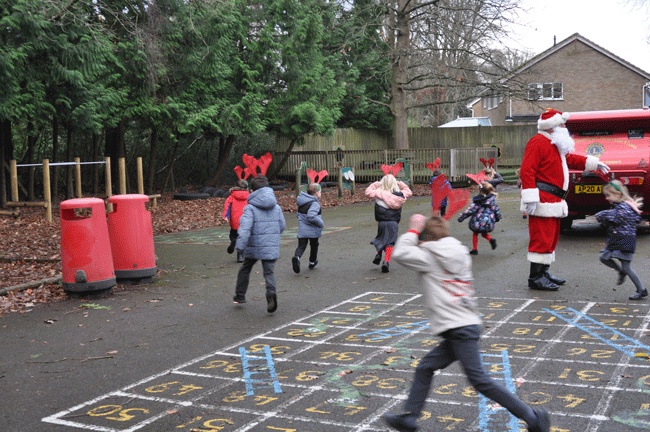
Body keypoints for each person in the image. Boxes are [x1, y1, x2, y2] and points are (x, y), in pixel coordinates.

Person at [383, 214, 551, 432]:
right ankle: (410, 417)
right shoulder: (458, 252)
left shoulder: (429, 257)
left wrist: (413, 230)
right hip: (464, 324)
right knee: (426, 367)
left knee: (480, 380)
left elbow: (401, 253)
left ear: (426, 239)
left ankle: (533, 418)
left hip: (459, 329)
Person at [520, 108, 609, 291]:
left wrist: (593, 163)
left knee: (551, 238)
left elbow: (570, 159)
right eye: (561, 125)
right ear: (552, 126)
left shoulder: (554, 143)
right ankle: (535, 277)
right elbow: (527, 170)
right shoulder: (537, 142)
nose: (564, 128)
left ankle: (544, 272)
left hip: (554, 199)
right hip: (542, 199)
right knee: (541, 239)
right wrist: (530, 198)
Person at [233, 176, 286, 313]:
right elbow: (282, 226)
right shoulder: (276, 207)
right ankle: (271, 292)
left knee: (245, 268)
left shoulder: (250, 208)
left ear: (252, 190)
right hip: (270, 245)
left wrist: (240, 246)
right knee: (269, 272)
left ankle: (240, 295)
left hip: (253, 246)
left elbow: (244, 229)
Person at [595, 181, 646, 300]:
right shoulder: (620, 206)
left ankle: (641, 290)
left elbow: (616, 216)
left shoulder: (625, 208)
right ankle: (621, 271)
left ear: (618, 195)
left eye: (608, 195)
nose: (607, 198)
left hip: (625, 241)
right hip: (616, 240)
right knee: (603, 257)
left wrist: (601, 215)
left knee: (627, 267)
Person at [365, 173, 412, 273]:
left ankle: (379, 253)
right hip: (393, 223)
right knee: (390, 242)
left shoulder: (379, 193)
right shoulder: (400, 195)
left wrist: (377, 184)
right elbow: (409, 191)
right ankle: (386, 261)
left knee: (381, 239)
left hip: (382, 222)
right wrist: (400, 183)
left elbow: (368, 192)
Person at [457, 181, 502, 255]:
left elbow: (471, 210)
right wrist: (498, 217)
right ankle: (491, 239)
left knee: (475, 233)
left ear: (480, 191)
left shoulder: (478, 200)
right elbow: (496, 209)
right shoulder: (493, 200)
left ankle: (475, 249)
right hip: (488, 221)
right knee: (484, 233)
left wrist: (462, 217)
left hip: (478, 220)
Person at [292, 183, 324, 274]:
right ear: (316, 192)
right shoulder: (315, 203)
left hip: (302, 229)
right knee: (314, 245)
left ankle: (297, 257)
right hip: (313, 230)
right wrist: (320, 223)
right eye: (320, 191)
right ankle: (312, 262)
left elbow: (298, 214)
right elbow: (311, 216)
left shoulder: (302, 201)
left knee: (301, 246)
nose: (321, 193)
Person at [222, 179, 250, 263]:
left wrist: (225, 216)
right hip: (246, 221)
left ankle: (234, 241)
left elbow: (227, 207)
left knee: (233, 235)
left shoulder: (231, 196)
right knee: (244, 238)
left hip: (235, 221)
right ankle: (240, 256)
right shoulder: (249, 197)